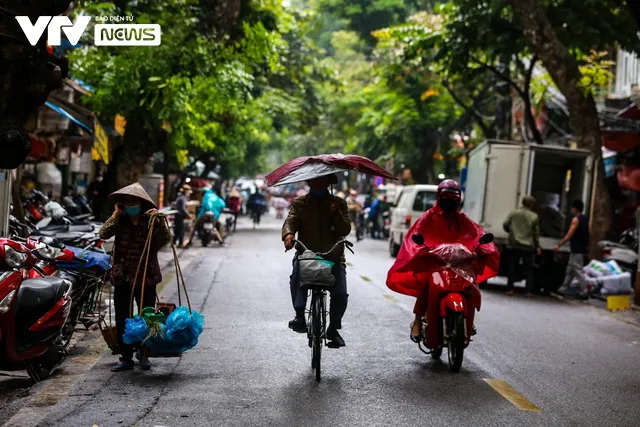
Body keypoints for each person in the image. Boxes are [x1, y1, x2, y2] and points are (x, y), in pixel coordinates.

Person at [386, 180, 500, 342]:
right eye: (446, 197)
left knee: (470, 284)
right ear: (439, 197)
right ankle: (417, 321)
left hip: (459, 263)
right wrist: (422, 250)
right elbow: (416, 235)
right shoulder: (428, 217)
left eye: (453, 198)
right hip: (435, 263)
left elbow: (477, 234)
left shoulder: (462, 220)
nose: (450, 201)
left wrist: (483, 247)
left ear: (459, 199)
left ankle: (470, 320)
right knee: (426, 286)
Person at [99, 183, 170, 372]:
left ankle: (145, 353)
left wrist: (160, 222)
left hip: (147, 276)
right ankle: (126, 357)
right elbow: (103, 234)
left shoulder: (151, 221)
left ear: (141, 203)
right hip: (123, 277)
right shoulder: (120, 220)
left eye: (133, 202)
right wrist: (115, 215)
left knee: (148, 316)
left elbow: (163, 241)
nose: (130, 205)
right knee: (123, 316)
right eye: (126, 202)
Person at [283, 174, 351, 348]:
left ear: (329, 183)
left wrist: (335, 212)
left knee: (340, 294)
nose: (319, 183)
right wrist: (288, 235)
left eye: (323, 180)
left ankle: (333, 329)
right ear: (309, 181)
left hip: (333, 256)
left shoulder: (339, 203)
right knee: (297, 278)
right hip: (306, 255)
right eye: (316, 179)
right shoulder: (300, 203)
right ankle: (299, 316)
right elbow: (290, 220)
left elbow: (345, 229)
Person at [503, 195, 542, 297]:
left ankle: (510, 289)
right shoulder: (534, 216)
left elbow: (505, 224)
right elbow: (536, 233)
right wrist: (537, 246)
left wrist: (511, 233)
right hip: (528, 245)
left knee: (512, 266)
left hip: (514, 243)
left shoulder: (514, 213)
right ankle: (528, 291)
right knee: (528, 268)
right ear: (532, 205)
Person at [554, 200, 590, 298]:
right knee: (569, 269)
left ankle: (584, 291)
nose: (571, 209)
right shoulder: (585, 219)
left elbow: (570, 234)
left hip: (577, 249)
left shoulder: (576, 219)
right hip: (578, 248)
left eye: (572, 208)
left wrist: (559, 244)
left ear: (575, 208)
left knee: (578, 270)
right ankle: (563, 289)